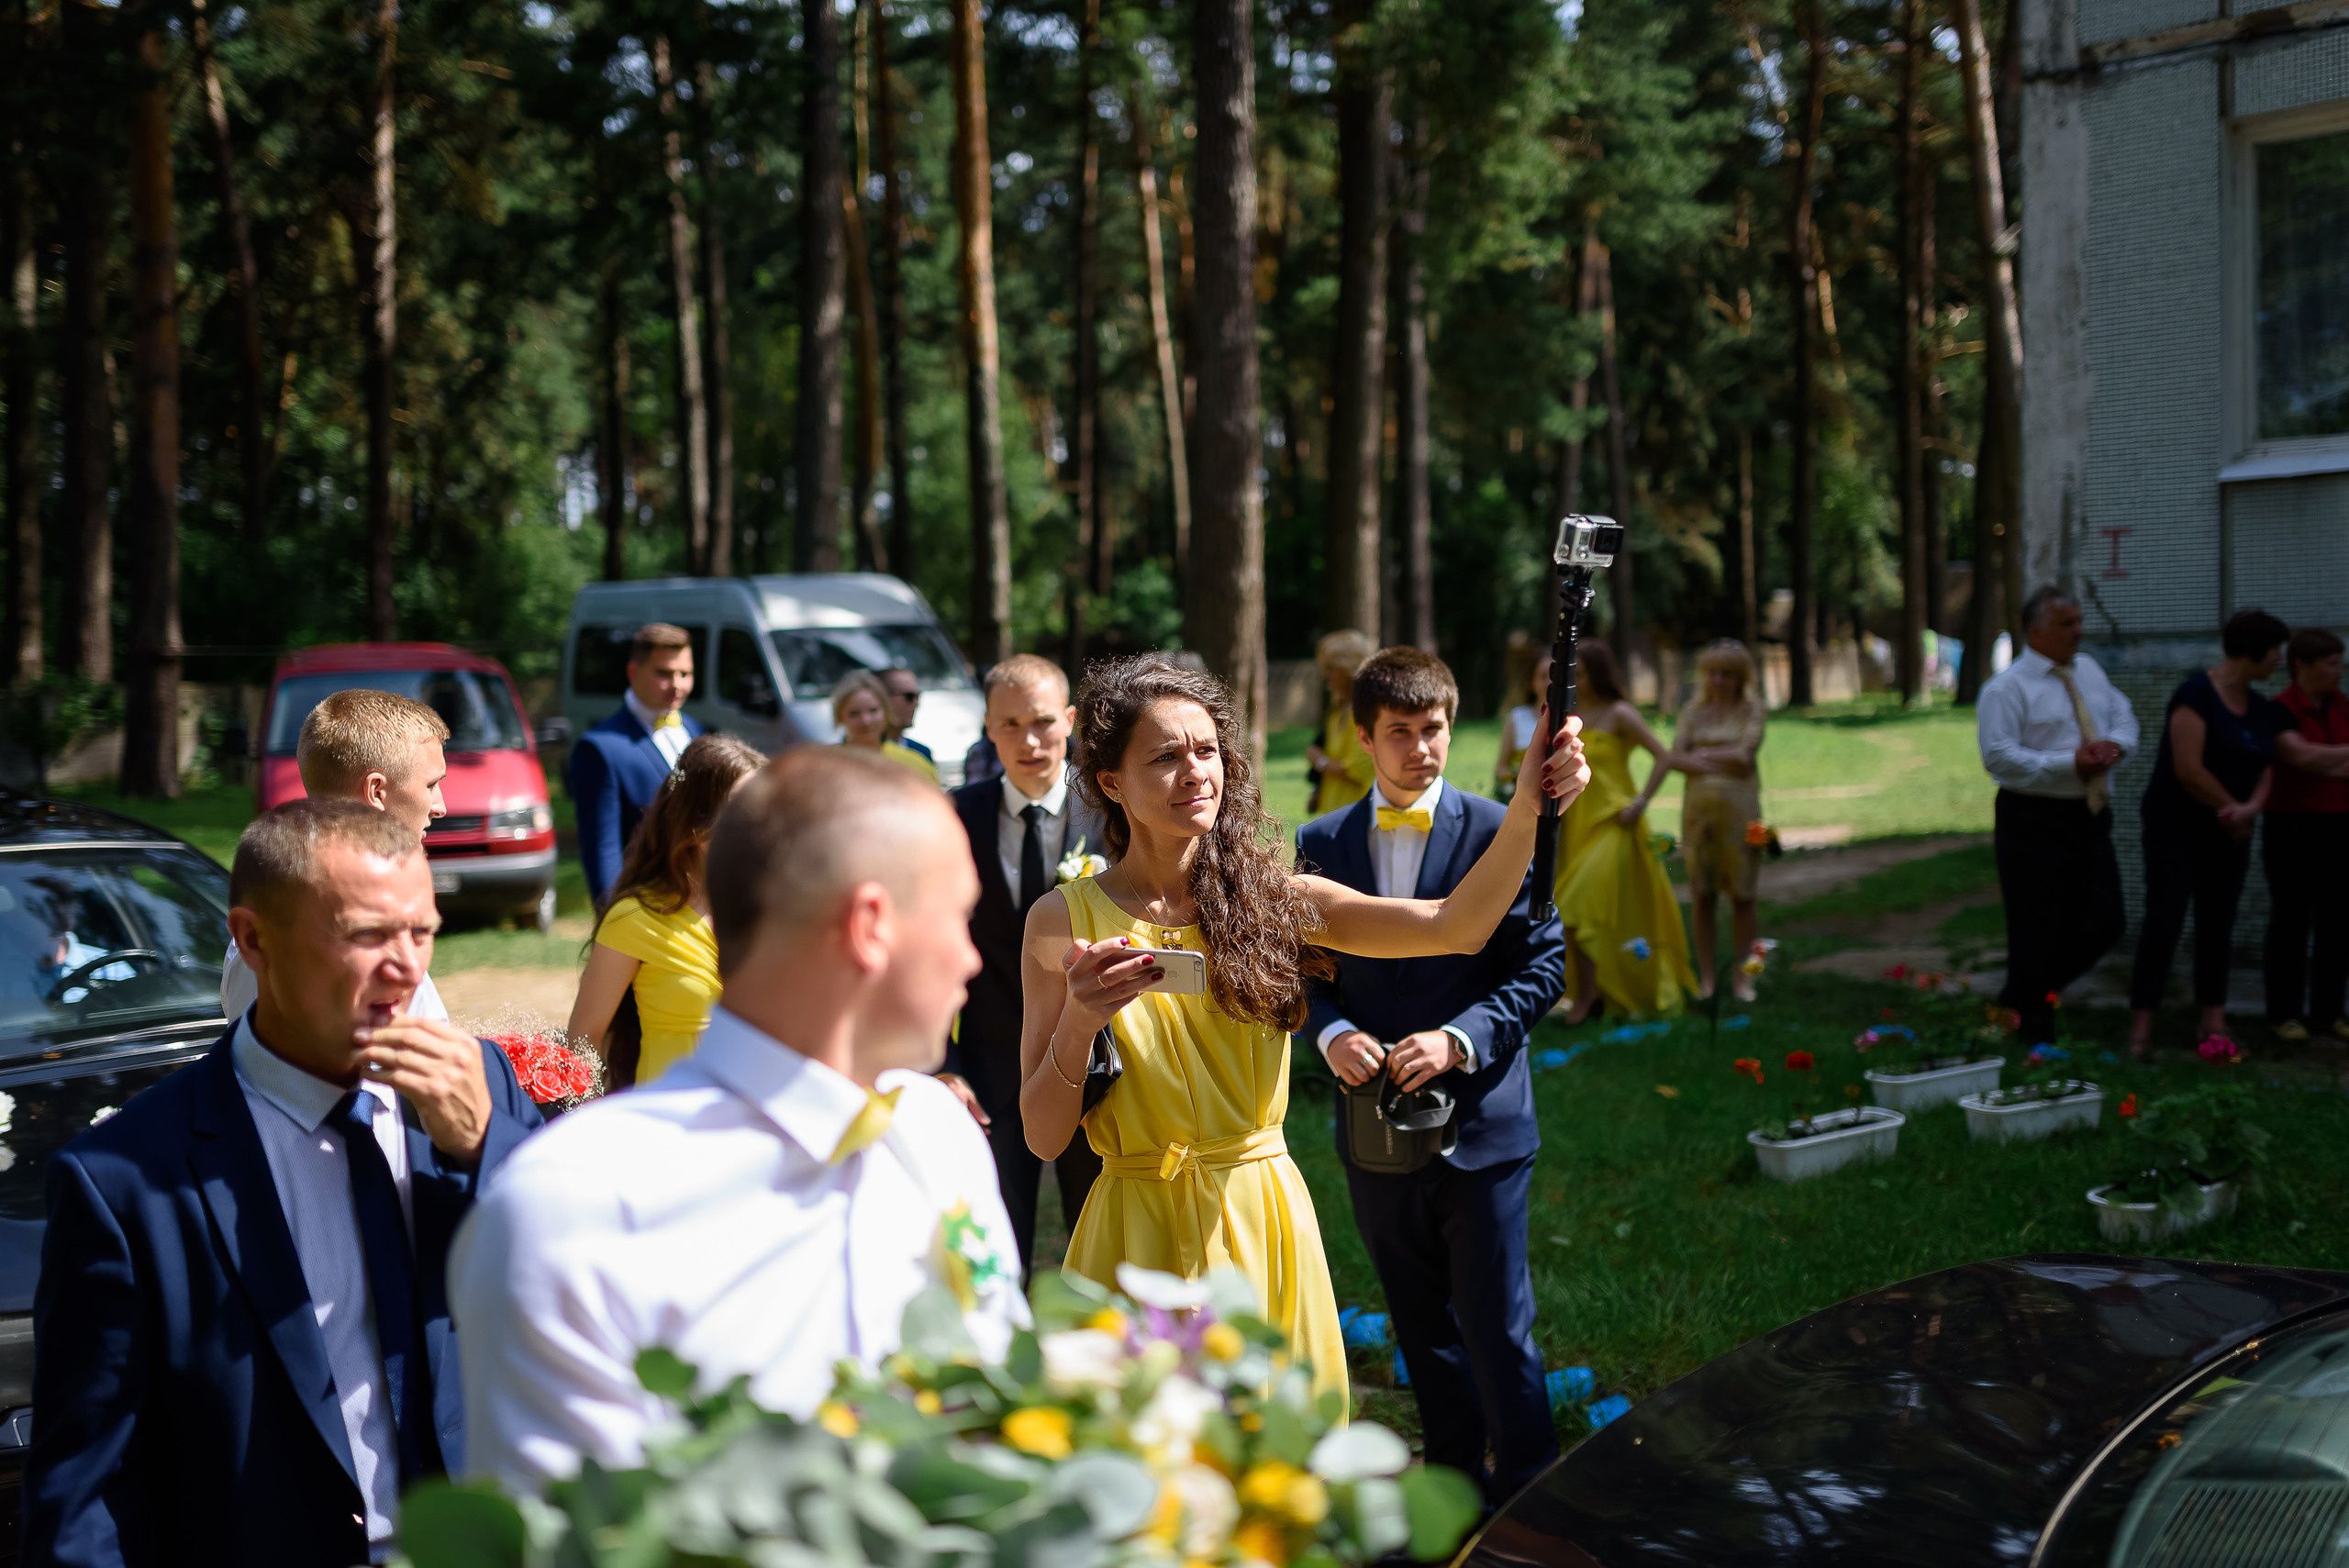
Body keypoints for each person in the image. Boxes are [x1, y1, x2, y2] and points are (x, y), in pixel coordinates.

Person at [1018, 655, 1588, 1407]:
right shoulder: (1061, 922)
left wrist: (1525, 809)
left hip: (1260, 1222)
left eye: (1206, 749)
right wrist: (1081, 1019)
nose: (1196, 771)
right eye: (1164, 756)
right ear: (1111, 783)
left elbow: (1461, 926)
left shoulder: (1277, 899)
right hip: (1134, 1231)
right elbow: (1042, 1136)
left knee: (1276, 1480)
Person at [450, 749, 1023, 1491]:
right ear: (871, 924)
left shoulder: (940, 1136)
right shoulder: (574, 1210)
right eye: (958, 916)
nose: (972, 959)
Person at [26, 800, 542, 1566]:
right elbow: (90, 1500)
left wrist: (482, 1149)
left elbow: (591, 1294)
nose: (406, 967)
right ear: (254, 939)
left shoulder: (482, 1086)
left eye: (422, 931)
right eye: (367, 933)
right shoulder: (125, 1181)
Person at [1296, 648, 1565, 1504]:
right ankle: (1451, 1488)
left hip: (1483, 1121)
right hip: (1373, 1125)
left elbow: (1543, 964)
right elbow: (1299, 970)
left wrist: (1460, 1036)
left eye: (1435, 729)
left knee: (1498, 1325)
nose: (1421, 749)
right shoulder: (1320, 843)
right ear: (1364, 738)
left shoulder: (1504, 828)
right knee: (1419, 1321)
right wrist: (1330, 1028)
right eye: (1400, 733)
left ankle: (1529, 1491)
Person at [940, 654, 1108, 1273]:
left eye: (1041, 721)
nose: (1029, 740)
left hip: (1097, 1064)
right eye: (1009, 724)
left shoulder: (1111, 812)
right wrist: (945, 1064)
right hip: (986, 1068)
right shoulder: (955, 816)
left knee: (1096, 1234)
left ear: (1069, 720)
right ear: (988, 727)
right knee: (991, 1241)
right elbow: (932, 951)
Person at [221, 687, 453, 1025]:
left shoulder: (371, 908)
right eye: (431, 785)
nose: (441, 807)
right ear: (376, 792)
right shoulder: (290, 935)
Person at [1976, 588, 2141, 1046]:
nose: (2079, 631)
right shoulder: (2006, 689)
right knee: (2036, 927)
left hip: (2088, 815)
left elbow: (2125, 719)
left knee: (2106, 921)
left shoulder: (2088, 670)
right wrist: (2071, 763)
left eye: (2078, 621)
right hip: (2033, 818)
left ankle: (2020, 998)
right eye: (2067, 624)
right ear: (2036, 631)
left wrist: (2116, 747)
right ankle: (2032, 1033)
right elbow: (1999, 758)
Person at [2128, 608, 2291, 1057]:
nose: (2280, 659)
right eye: (2275, 650)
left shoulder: (2260, 707)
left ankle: (2212, 1025)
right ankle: (2140, 1030)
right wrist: (2232, 809)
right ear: (2251, 652)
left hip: (2229, 834)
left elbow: (2266, 766)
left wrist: (2250, 810)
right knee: (2165, 923)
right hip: (2176, 830)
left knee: (2218, 926)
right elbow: (2188, 769)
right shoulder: (2194, 695)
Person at [567, 733, 767, 1086]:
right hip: (671, 1121)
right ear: (696, 822)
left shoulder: (773, 907)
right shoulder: (635, 917)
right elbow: (584, 1040)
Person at [1553, 640, 1696, 1021]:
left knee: (1573, 906)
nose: (1573, 678)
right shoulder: (1569, 715)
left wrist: (1640, 803)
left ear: (1596, 673)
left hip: (1616, 824)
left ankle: (1585, 1000)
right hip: (1577, 827)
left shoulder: (1620, 713)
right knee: (1587, 912)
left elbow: (1665, 757)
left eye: (1579, 672)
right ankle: (1599, 993)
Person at [571, 623, 705, 906]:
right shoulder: (601, 748)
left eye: (685, 673)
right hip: (646, 907)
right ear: (633, 672)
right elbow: (603, 852)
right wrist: (613, 924)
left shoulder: (694, 729)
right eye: (664, 674)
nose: (678, 685)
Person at [2262, 628, 2349, 1042]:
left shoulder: (2342, 706)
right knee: (2292, 919)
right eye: (2331, 663)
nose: (2339, 670)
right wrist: (2326, 761)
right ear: (2303, 666)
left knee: (2337, 920)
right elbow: (2300, 756)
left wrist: (2324, 761)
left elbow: (2320, 761)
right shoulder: (2280, 709)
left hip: (2339, 823)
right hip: (2292, 826)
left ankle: (2328, 1012)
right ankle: (2284, 1013)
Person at [1673, 640, 1770, 1001]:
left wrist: (1700, 754)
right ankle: (1709, 979)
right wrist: (1716, 758)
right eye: (1712, 672)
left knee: (1744, 895)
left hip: (1741, 815)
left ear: (1741, 677)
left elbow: (1745, 757)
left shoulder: (1752, 709)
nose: (1718, 680)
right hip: (1699, 816)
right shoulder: (1691, 712)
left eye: (1727, 674)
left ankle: (1744, 978)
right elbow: (1675, 757)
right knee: (1702, 895)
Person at [1306, 629, 1377, 816]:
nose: (1326, 675)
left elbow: (1358, 771)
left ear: (1350, 667)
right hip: (1334, 817)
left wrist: (1319, 760)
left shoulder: (1367, 711)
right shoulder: (1338, 713)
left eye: (1331, 667)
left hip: (1359, 818)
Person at [834, 670, 941, 784]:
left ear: (886, 711)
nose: (866, 721)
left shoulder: (915, 763)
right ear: (840, 716)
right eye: (854, 713)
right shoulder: (826, 764)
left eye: (873, 711)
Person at [1494, 647, 1549, 801]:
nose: (1550, 681)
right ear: (1532, 682)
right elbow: (1501, 768)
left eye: (1555, 675)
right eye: (1544, 676)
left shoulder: (1575, 719)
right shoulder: (1517, 717)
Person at [879, 665, 938, 766]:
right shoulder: (857, 752)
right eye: (909, 697)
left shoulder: (922, 753)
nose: (916, 704)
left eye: (918, 696)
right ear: (883, 698)